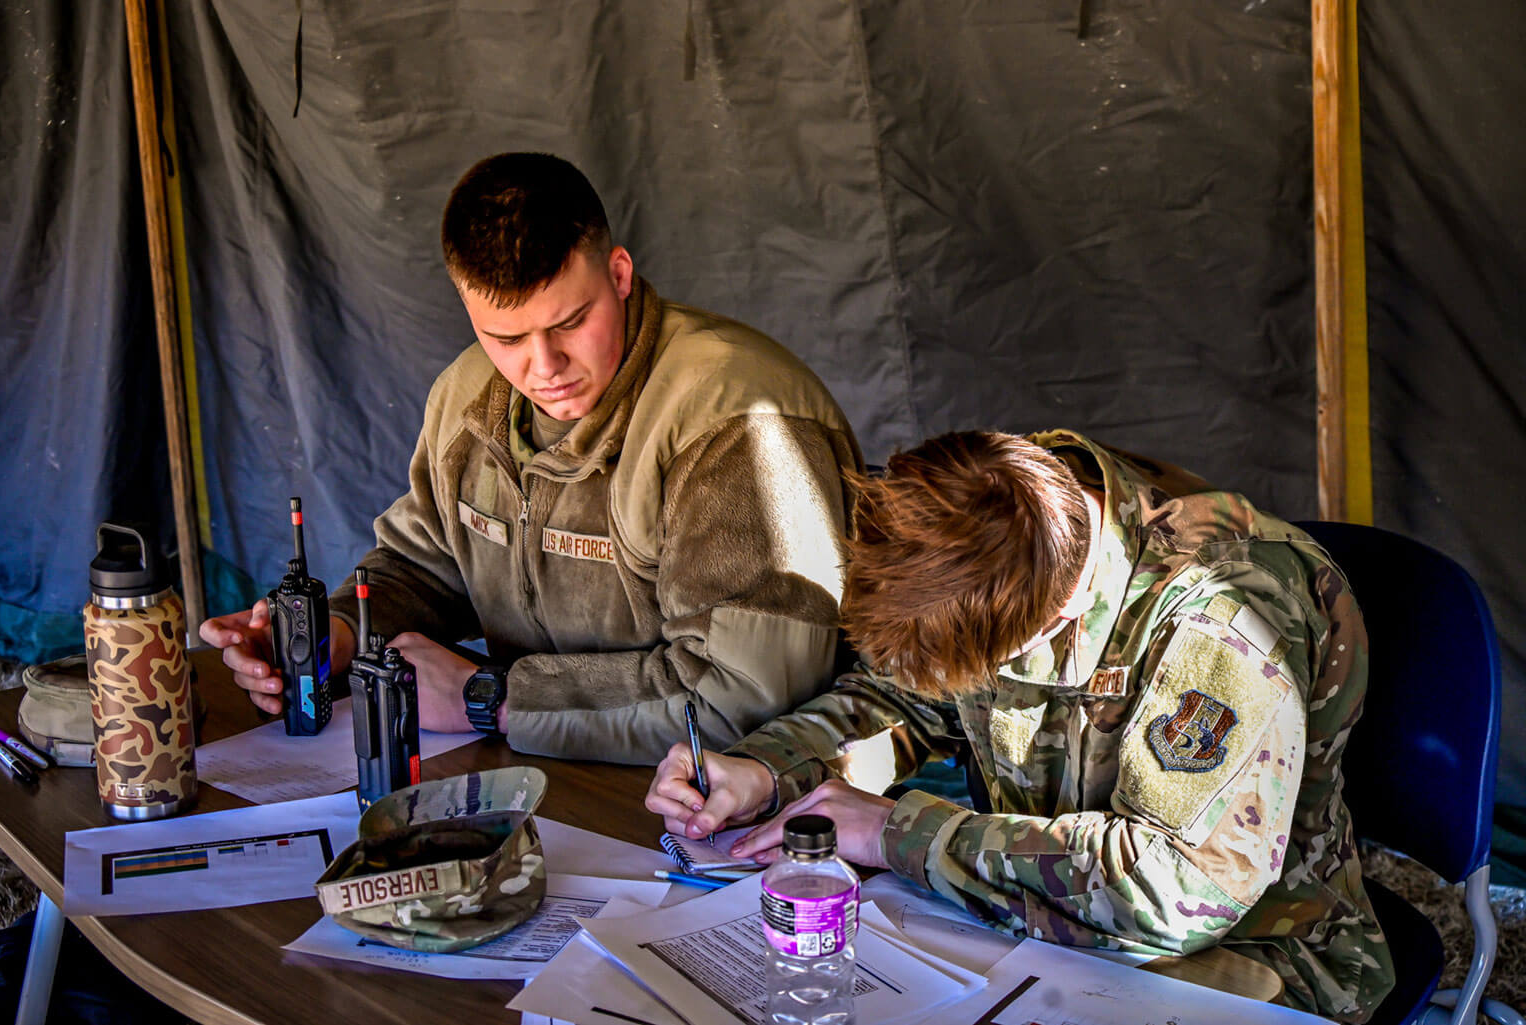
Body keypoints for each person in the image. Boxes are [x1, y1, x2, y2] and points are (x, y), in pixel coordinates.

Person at [646, 429, 1395, 1022]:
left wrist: (898, 833)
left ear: (1059, 618)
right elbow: (907, 700)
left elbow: (1178, 889)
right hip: (1032, 920)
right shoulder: (995, 511)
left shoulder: (1226, 613)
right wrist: (772, 767)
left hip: (1251, 954)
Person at [201, 152, 862, 763]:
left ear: (621, 274)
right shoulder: (467, 397)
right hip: (542, 767)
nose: (544, 367)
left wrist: (487, 697)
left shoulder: (738, 420)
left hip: (736, 800)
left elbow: (745, 695)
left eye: (571, 322)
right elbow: (425, 566)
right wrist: (336, 637)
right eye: (506, 336)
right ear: (468, 307)